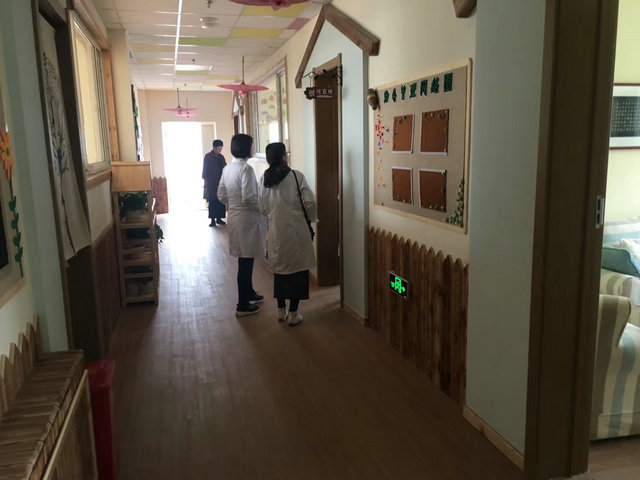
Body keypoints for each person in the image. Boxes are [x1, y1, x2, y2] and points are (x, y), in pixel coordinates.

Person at [258, 142, 316, 326]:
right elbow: (310, 202)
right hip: (296, 229)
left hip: (276, 230)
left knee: (280, 271)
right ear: (283, 155)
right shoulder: (296, 176)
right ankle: (293, 313)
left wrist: (273, 214)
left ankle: (280, 310)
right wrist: (311, 218)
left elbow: (262, 206)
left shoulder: (264, 179)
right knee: (298, 271)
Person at [217, 134, 265, 317]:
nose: (253, 147)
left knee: (245, 258)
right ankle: (242, 304)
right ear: (246, 147)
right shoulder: (246, 169)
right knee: (245, 261)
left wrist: (234, 202)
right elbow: (250, 197)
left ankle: (249, 292)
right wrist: (264, 208)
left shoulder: (227, 168)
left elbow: (221, 195)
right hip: (247, 219)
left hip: (235, 217)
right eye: (252, 144)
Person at [202, 139, 227, 227]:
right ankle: (212, 220)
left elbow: (225, 168)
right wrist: (205, 183)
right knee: (212, 201)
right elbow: (205, 170)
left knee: (220, 200)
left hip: (221, 182)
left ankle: (219, 219)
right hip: (211, 183)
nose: (220, 150)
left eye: (221, 148)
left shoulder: (221, 157)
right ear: (214, 147)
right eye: (219, 148)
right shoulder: (208, 157)